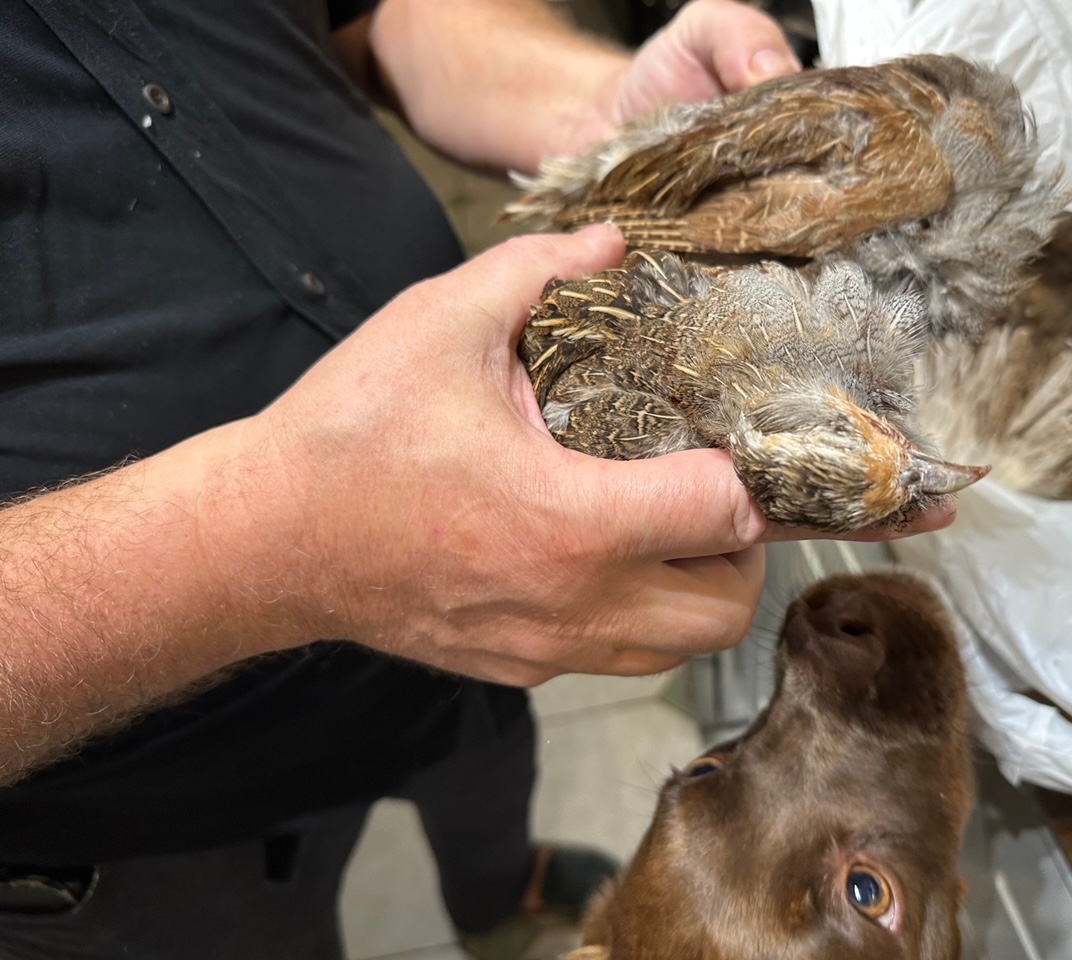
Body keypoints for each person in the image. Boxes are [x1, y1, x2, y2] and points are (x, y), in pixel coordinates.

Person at [0, 0, 954, 956]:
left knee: (487, 787)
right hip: (148, 808)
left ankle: (499, 888)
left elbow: (363, 19)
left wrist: (593, 111)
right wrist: (295, 543)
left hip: (489, 607)